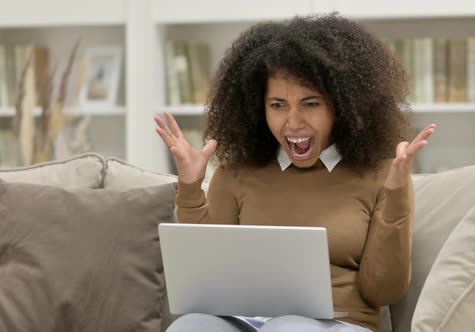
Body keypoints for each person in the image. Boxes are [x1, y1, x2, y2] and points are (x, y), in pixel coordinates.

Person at [154, 13, 435, 332]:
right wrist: (191, 188)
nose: (293, 121)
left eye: (310, 104)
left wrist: (397, 197)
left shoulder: (383, 175)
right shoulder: (236, 174)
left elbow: (383, 291)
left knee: (288, 328)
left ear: (343, 105)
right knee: (191, 326)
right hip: (247, 321)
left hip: (341, 324)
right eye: (277, 105)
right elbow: (206, 282)